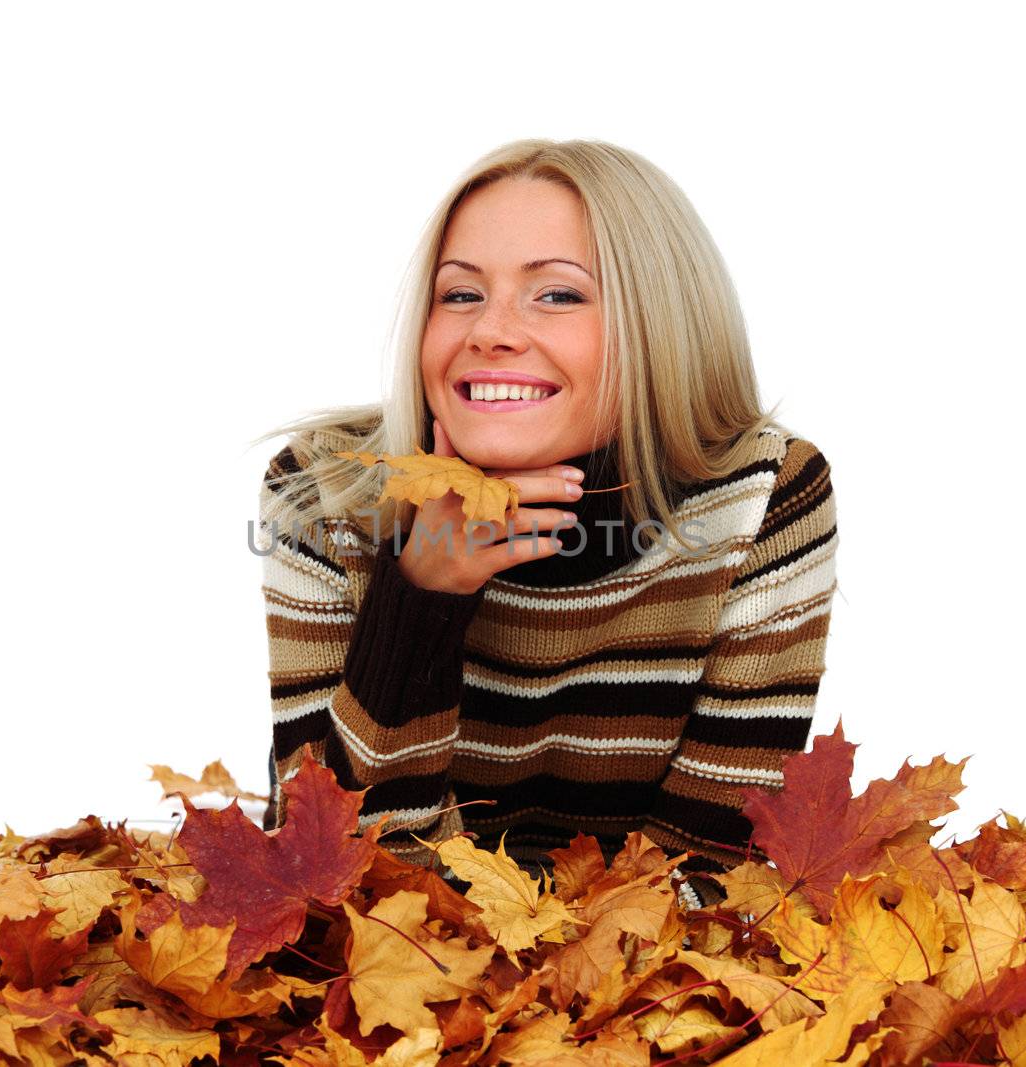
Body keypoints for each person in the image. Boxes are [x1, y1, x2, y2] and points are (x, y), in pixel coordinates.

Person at [248, 138, 838, 907]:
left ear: (660, 323)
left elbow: (716, 873)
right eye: (460, 295)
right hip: (406, 995)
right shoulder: (325, 497)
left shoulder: (764, 495)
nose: (490, 330)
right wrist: (419, 598)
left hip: (642, 993)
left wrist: (538, 967)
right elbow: (325, 888)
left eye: (557, 294)